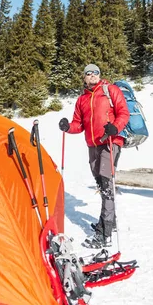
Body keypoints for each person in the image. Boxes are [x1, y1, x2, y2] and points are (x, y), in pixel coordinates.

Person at [59, 63, 129, 248]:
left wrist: (116, 127)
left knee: (107, 185)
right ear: (84, 77)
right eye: (89, 73)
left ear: (99, 75)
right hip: (93, 145)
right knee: (100, 183)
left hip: (110, 142)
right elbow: (78, 124)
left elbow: (124, 113)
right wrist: (68, 127)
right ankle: (110, 221)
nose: (92, 75)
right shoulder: (82, 99)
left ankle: (104, 234)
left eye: (95, 72)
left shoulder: (110, 90)